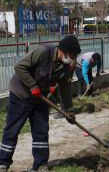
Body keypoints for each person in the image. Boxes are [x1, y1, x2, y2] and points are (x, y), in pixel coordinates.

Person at [0, 35, 81, 172]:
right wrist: (32, 86)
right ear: (63, 51)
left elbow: (65, 90)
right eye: (72, 55)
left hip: (40, 98)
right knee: (12, 130)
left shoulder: (65, 67)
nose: (72, 59)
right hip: (21, 94)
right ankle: (3, 163)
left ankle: (40, 165)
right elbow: (19, 67)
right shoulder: (43, 51)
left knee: (41, 131)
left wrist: (69, 110)